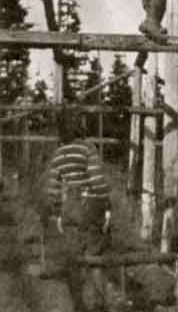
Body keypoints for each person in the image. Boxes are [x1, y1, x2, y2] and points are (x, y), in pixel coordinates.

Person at [39, 109, 112, 312]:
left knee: (74, 260)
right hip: (89, 205)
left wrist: (57, 213)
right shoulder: (88, 149)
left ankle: (78, 306)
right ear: (80, 129)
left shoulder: (59, 154)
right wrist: (106, 208)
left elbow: (53, 188)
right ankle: (99, 306)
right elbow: (97, 181)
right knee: (95, 258)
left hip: (69, 208)